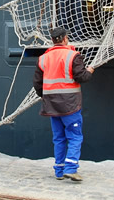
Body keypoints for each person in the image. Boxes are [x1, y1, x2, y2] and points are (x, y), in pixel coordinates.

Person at [33, 27, 94, 181]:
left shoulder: (43, 58)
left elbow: (37, 84)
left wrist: (46, 96)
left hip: (51, 106)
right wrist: (90, 71)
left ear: (53, 40)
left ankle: (59, 171)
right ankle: (71, 168)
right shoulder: (73, 56)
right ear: (65, 38)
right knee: (75, 137)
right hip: (70, 105)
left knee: (59, 138)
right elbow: (82, 77)